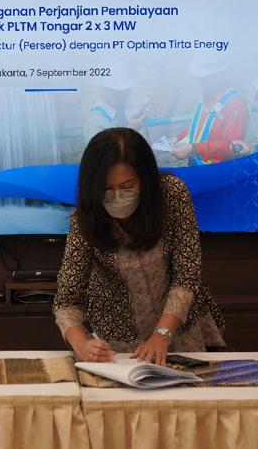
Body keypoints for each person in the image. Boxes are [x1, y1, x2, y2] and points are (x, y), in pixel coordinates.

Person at [54, 128, 226, 365]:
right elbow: (66, 300)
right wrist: (81, 343)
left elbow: (187, 275)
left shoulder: (171, 195)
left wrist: (161, 335)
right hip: (119, 351)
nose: (118, 197)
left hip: (182, 337)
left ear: (145, 179)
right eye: (107, 189)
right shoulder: (86, 218)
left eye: (127, 186)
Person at [171, 54, 248, 165]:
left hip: (219, 169)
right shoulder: (207, 95)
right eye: (200, 77)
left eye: (207, 77)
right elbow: (200, 128)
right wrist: (178, 138)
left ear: (221, 74)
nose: (202, 81)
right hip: (198, 165)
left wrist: (193, 148)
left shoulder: (235, 104)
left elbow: (232, 145)